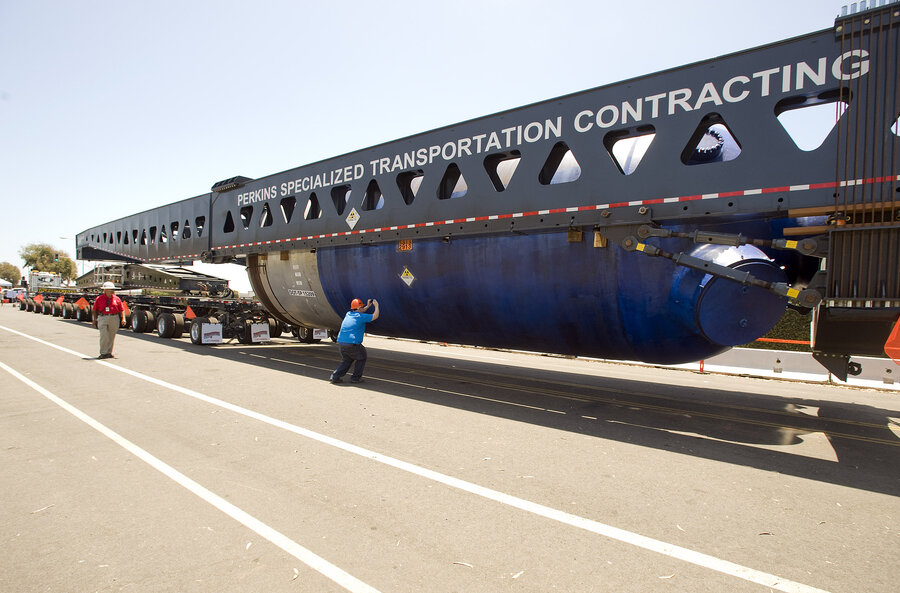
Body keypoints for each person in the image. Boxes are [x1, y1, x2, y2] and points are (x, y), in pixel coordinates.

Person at [330, 297, 379, 384]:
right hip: (352, 344)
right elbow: (375, 316)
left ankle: (335, 376)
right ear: (359, 308)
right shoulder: (361, 317)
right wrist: (376, 306)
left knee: (347, 360)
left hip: (341, 343)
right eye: (362, 307)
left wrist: (367, 306)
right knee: (362, 357)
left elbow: (360, 310)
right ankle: (355, 378)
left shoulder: (348, 314)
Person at [91, 281, 126, 359]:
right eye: (109, 289)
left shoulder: (117, 299)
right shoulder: (99, 299)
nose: (111, 290)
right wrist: (94, 320)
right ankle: (103, 352)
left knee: (111, 336)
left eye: (112, 289)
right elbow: (94, 310)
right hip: (103, 318)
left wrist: (123, 319)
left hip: (114, 318)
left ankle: (109, 352)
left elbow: (122, 309)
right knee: (104, 335)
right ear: (105, 290)